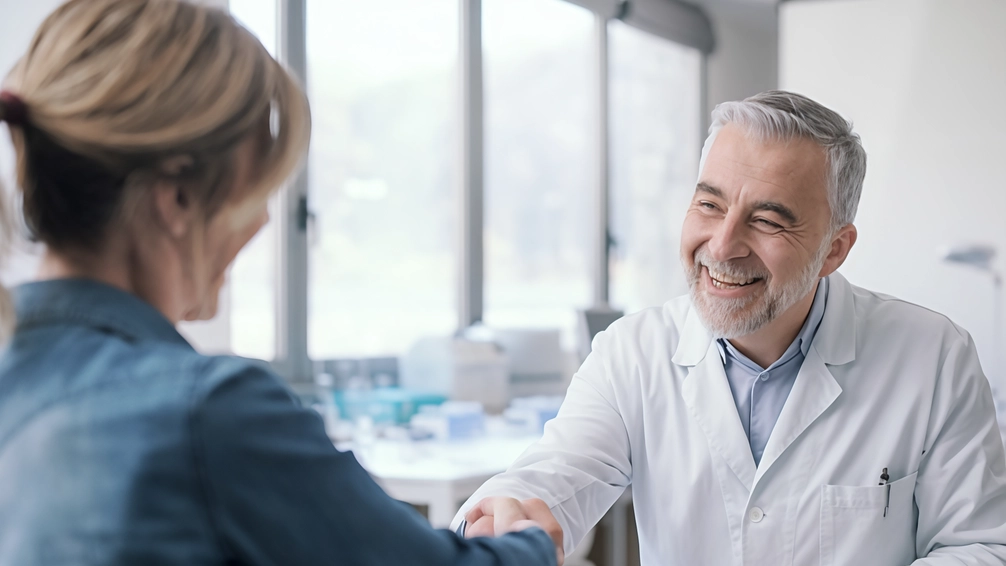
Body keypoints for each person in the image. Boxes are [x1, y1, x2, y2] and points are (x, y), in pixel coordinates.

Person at [0, 1, 562, 564]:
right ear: (176, 198)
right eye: (255, 190)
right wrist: (531, 543)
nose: (264, 220)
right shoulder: (206, 415)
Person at [454, 91, 1006, 565]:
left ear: (834, 249)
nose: (722, 245)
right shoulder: (632, 354)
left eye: (767, 220)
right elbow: (557, 475)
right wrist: (506, 512)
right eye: (709, 204)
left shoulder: (934, 356)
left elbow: (980, 546)